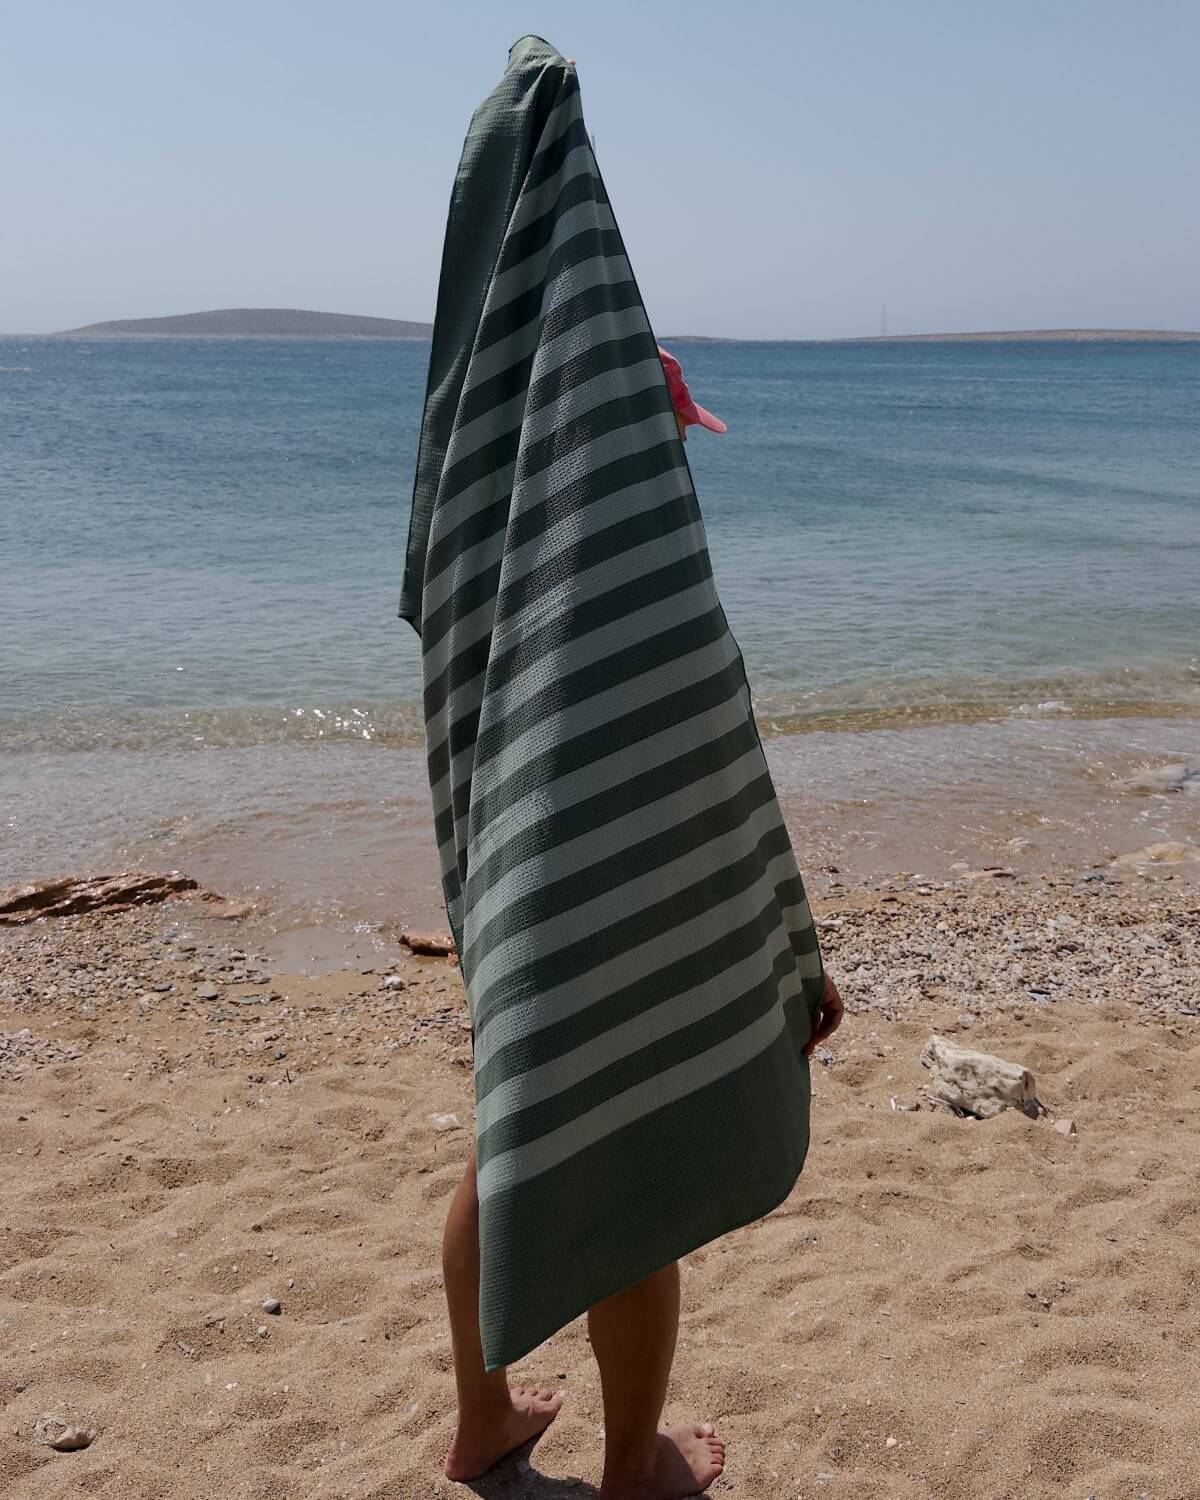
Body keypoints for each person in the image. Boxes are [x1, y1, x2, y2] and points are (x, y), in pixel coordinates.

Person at [400, 38, 843, 1498]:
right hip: (600, 830)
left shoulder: (478, 407)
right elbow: (658, 669)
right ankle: (635, 1465)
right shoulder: (572, 414)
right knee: (625, 1139)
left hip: (515, 816)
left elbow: (466, 611)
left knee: (513, 1105)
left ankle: (480, 1422)